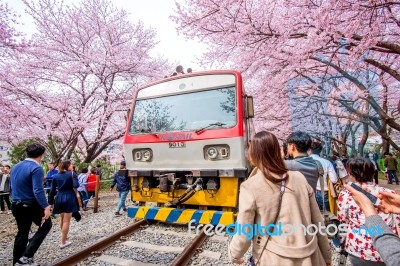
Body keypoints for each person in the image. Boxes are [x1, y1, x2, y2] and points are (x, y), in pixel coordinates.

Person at [228, 131, 331, 266]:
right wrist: (327, 256)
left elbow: (244, 231)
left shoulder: (250, 186)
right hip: (309, 256)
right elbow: (318, 221)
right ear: (278, 151)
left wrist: (235, 255)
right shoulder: (299, 178)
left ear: (253, 155)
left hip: (274, 258)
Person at [337, 157, 400, 266]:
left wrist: (342, 243)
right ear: (372, 173)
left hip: (357, 247)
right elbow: (397, 220)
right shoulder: (388, 193)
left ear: (351, 173)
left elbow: (343, 222)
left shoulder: (346, 194)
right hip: (385, 249)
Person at [10, 143, 52, 266]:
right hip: (30, 204)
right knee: (46, 225)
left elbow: (12, 188)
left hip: (16, 204)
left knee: (22, 232)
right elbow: (38, 190)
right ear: (41, 154)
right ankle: (26, 257)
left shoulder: (15, 166)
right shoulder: (36, 168)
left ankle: (17, 262)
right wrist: (46, 206)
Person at [344, 184, 400, 266]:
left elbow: (395, 257)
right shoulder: (389, 193)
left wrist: (368, 209)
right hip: (380, 255)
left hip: (357, 249)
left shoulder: (345, 194)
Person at [49, 160, 79, 249]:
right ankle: (63, 242)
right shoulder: (72, 174)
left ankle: (64, 237)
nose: (72, 166)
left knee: (62, 218)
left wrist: (50, 203)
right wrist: (73, 175)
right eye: (71, 164)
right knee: (66, 221)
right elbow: (76, 185)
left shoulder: (55, 176)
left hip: (59, 197)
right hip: (69, 197)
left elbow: (51, 191)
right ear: (68, 166)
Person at [308, 139, 338, 212]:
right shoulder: (327, 162)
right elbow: (334, 180)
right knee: (326, 216)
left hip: (308, 193)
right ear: (320, 151)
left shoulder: (304, 162)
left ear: (309, 150)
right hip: (323, 193)